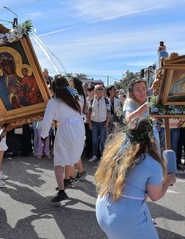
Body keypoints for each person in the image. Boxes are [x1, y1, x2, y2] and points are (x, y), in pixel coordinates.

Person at [95, 116, 176, 239]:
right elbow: (155, 195)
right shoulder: (152, 163)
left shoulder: (116, 152)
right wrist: (168, 181)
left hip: (103, 209)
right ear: (151, 137)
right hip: (123, 217)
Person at [40, 75, 85, 204]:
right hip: (79, 129)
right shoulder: (77, 97)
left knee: (59, 160)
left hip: (65, 129)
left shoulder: (54, 101)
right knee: (70, 155)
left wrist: (44, 135)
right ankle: (66, 180)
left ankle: (61, 191)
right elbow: (81, 113)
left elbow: (47, 120)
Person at [87, 84, 110, 162]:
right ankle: (94, 155)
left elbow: (109, 112)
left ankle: (102, 155)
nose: (100, 91)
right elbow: (88, 113)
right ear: (95, 91)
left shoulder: (106, 100)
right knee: (94, 140)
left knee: (102, 140)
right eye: (98, 90)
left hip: (103, 122)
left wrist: (107, 122)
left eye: (101, 89)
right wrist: (89, 123)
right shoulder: (91, 100)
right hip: (94, 123)